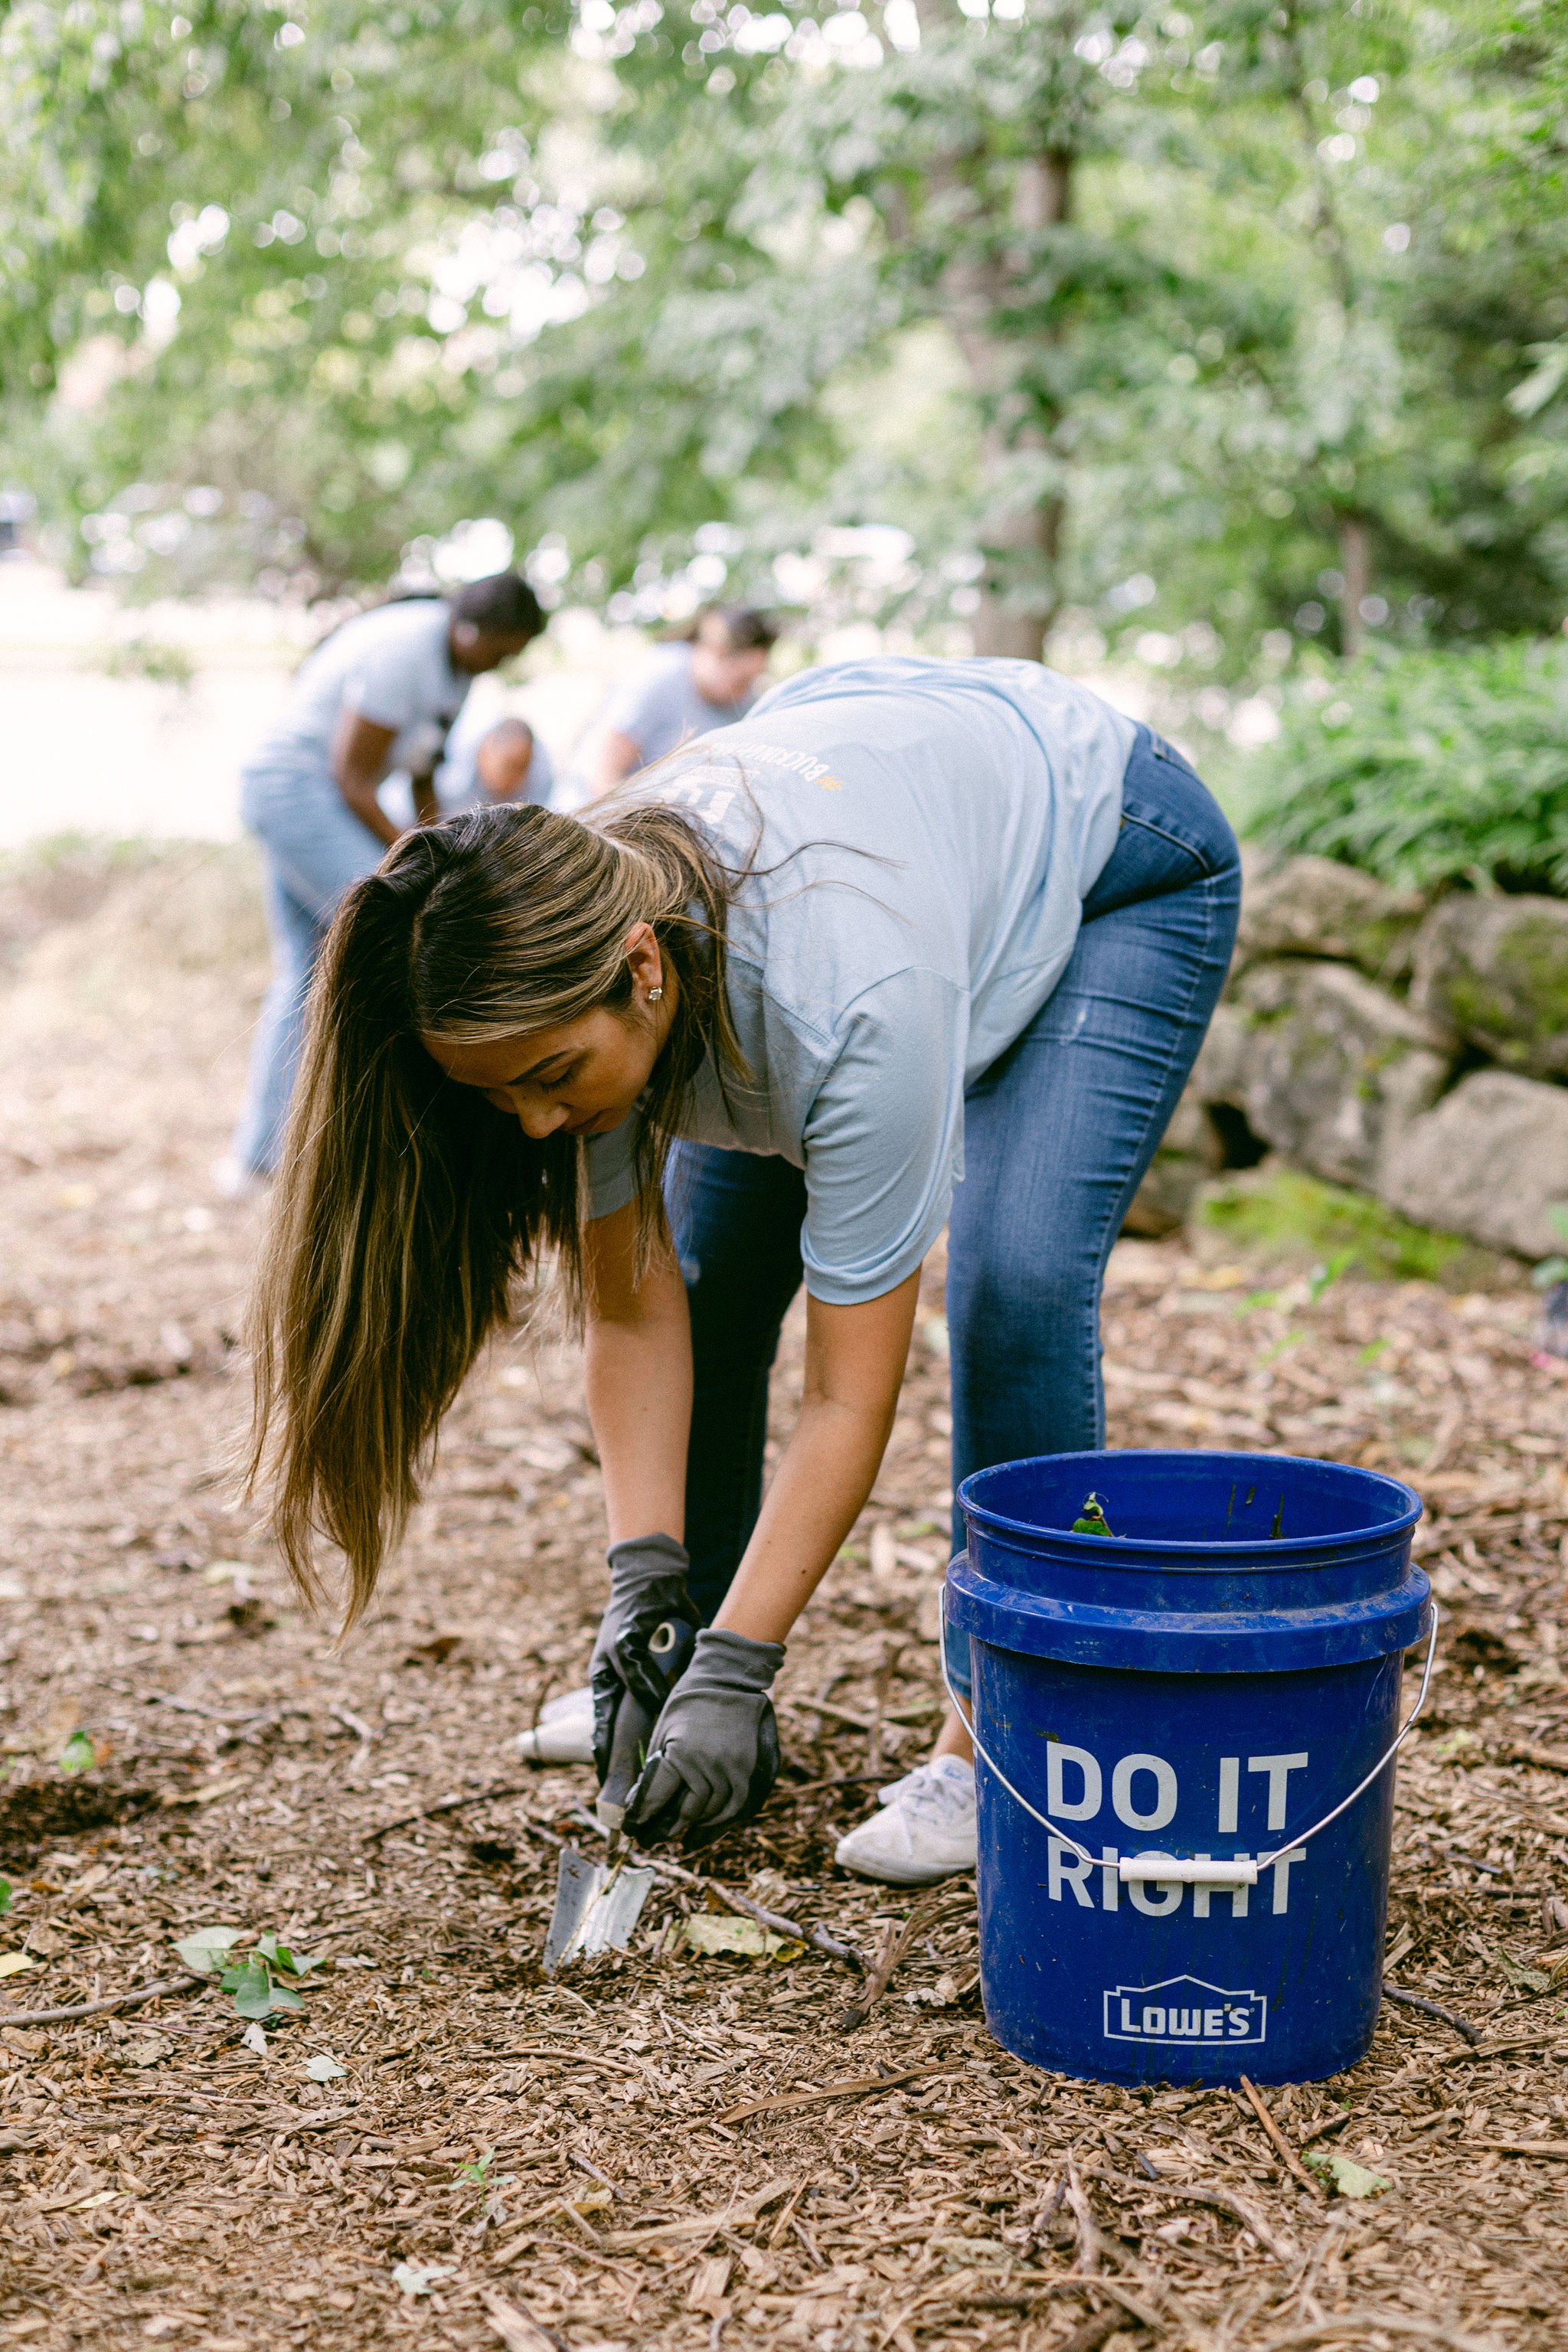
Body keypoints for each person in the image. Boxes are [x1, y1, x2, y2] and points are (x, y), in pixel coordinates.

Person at [247, 656, 1240, 1885]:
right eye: (500, 1094)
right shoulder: (552, 929)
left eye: (552, 1078)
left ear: (645, 970)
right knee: (714, 1281)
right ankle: (673, 1670)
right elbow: (634, 1311)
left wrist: (747, 1665)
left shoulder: (851, 1005)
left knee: (1014, 1285)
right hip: (889, 835)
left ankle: (1002, 1743)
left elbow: (846, 1396)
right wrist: (644, 1591)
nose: (535, 1126)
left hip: (1114, 866)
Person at [225, 573, 544, 1187]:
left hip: (317, 792)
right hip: (296, 788)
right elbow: (353, 777)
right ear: (480, 629)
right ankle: (384, 1149)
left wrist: (454, 849)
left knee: (307, 971)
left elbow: (424, 776)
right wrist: (415, 859)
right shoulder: (408, 649)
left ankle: (260, 1158)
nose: (507, 661)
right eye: (506, 649)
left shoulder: (457, 666)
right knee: (396, 942)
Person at [585, 605, 778, 795]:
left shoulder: (745, 703)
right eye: (742, 681)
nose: (746, 692)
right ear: (715, 652)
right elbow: (603, 774)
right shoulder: (658, 678)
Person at [378, 712, 556, 832]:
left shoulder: (542, 774)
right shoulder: (452, 764)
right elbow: (424, 812)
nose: (516, 781)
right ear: (484, 752)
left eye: (522, 769)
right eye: (509, 768)